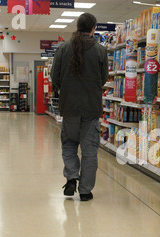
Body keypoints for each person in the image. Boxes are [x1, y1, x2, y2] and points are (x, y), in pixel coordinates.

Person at [51, 13, 108, 201]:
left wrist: (65, 89)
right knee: (89, 150)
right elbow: (104, 78)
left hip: (69, 107)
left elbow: (55, 77)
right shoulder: (100, 50)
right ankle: (85, 191)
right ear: (93, 28)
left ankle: (71, 178)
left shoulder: (63, 49)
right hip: (91, 108)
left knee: (69, 144)